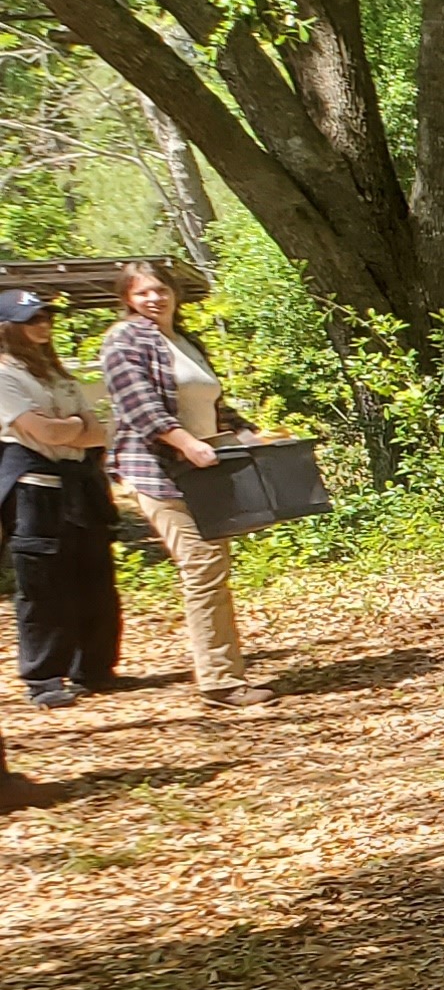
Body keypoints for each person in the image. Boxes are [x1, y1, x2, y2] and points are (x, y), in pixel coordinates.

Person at [100, 263, 273, 708]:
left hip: (204, 466)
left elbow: (213, 405)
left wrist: (252, 436)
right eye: (142, 294)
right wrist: (183, 442)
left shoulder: (184, 342)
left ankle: (224, 669)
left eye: (160, 290)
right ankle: (219, 680)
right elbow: (137, 405)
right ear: (127, 299)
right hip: (159, 469)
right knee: (201, 565)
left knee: (212, 565)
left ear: (174, 293)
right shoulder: (125, 340)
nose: (153, 299)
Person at [1, 290, 119, 707]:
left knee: (94, 576)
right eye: (32, 319)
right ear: (8, 328)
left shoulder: (58, 375)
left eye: (46, 317)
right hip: (35, 489)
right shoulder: (5, 376)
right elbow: (47, 434)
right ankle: (44, 678)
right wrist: (72, 427)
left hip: (80, 483)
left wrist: (63, 427)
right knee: (43, 585)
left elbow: (96, 432)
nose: (43, 325)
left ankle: (94, 668)